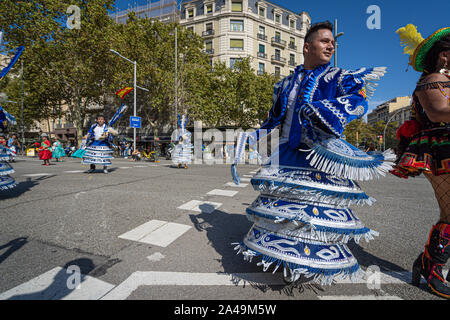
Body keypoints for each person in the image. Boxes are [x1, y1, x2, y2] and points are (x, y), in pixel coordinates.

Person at [231, 21, 393, 285]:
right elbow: (273, 119)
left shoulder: (338, 77)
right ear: (307, 47)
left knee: (313, 213)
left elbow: (359, 100)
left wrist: (325, 110)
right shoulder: (284, 84)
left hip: (319, 154)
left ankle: (309, 261)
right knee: (287, 210)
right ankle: (284, 257)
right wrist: (252, 136)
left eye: (332, 42)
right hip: (286, 154)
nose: (330, 45)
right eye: (324, 41)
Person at [392, 25, 450, 298]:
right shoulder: (431, 80)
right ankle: (432, 266)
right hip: (440, 151)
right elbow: (439, 112)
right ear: (444, 56)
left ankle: (428, 263)